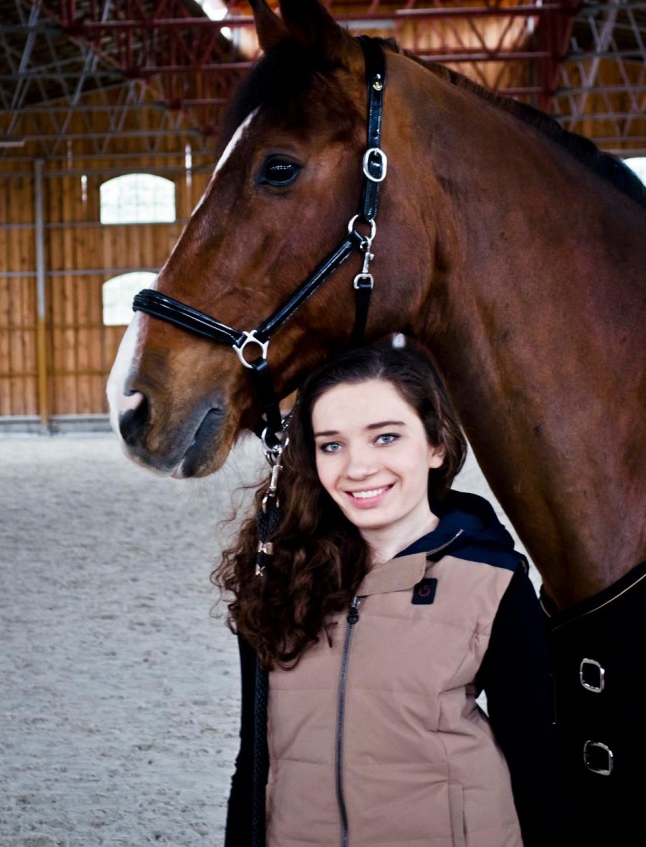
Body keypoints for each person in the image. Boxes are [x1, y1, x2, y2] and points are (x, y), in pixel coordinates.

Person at [215, 342, 565, 847]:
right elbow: (254, 758)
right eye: (331, 445)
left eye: (385, 437)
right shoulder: (279, 575)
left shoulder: (493, 581)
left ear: (436, 445)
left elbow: (537, 762)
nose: (358, 467)